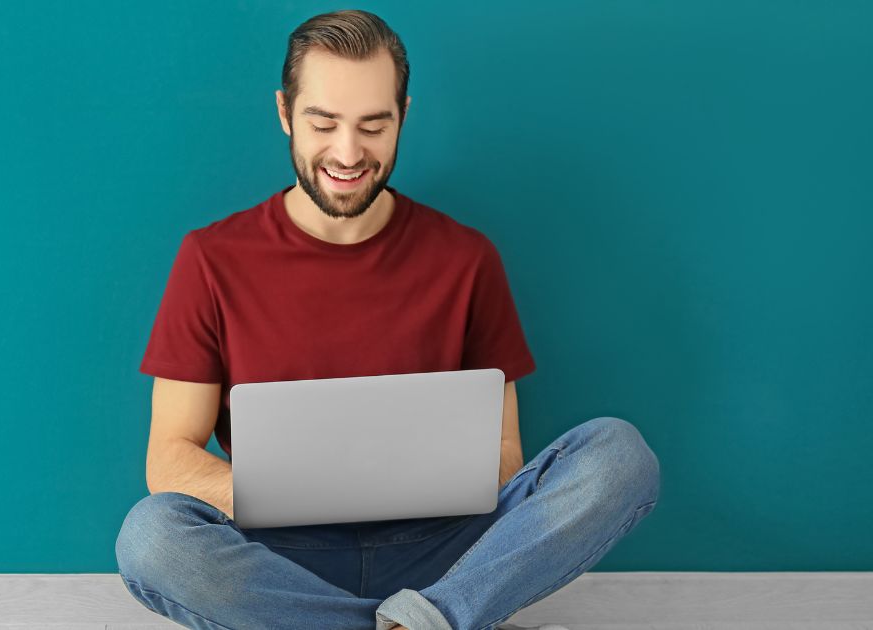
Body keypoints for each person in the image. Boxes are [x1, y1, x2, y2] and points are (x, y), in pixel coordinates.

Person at [115, 9, 660, 630]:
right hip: (281, 561)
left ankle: (428, 613)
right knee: (151, 536)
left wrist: (421, 484)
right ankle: (416, 625)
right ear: (285, 113)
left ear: (404, 115)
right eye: (324, 123)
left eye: (374, 125)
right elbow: (170, 460)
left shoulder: (465, 257)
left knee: (619, 454)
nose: (348, 154)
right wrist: (314, 491)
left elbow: (506, 452)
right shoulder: (211, 258)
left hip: (447, 553)